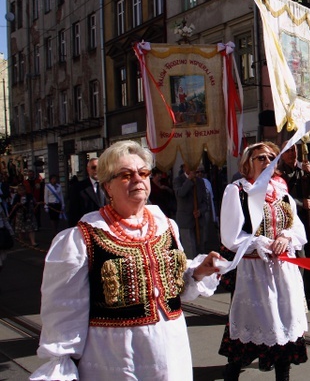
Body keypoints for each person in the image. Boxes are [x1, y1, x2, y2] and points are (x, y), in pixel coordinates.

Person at [30, 140, 221, 380]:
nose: (138, 179)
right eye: (126, 175)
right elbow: (64, 311)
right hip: (116, 357)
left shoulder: (166, 226)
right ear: (108, 186)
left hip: (171, 350)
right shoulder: (83, 237)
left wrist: (198, 272)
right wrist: (62, 361)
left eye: (143, 173)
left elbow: (173, 287)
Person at [219, 141, 308, 381]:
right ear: (248, 163)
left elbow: (297, 228)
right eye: (261, 158)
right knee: (246, 336)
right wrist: (258, 243)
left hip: (282, 270)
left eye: (271, 157)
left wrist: (285, 236)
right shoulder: (237, 191)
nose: (267, 162)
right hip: (254, 271)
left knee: (284, 333)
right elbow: (229, 236)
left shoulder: (281, 190)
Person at [280, 141, 310, 311]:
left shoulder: (308, 168)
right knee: (299, 262)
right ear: (282, 154)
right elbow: (281, 197)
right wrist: (300, 204)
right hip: (293, 226)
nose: (292, 153)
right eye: (289, 150)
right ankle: (298, 297)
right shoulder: (279, 174)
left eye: (294, 150)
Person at [175, 163, 210, 258]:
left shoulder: (200, 182)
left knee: (201, 249)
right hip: (186, 222)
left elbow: (205, 202)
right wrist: (189, 180)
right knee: (190, 250)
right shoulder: (178, 180)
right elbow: (180, 193)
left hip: (199, 221)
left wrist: (200, 211)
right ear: (184, 167)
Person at [68, 158, 108, 227]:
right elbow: (73, 212)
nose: (96, 170)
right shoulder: (78, 188)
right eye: (93, 167)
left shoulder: (109, 185)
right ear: (88, 169)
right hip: (87, 228)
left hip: (108, 226)